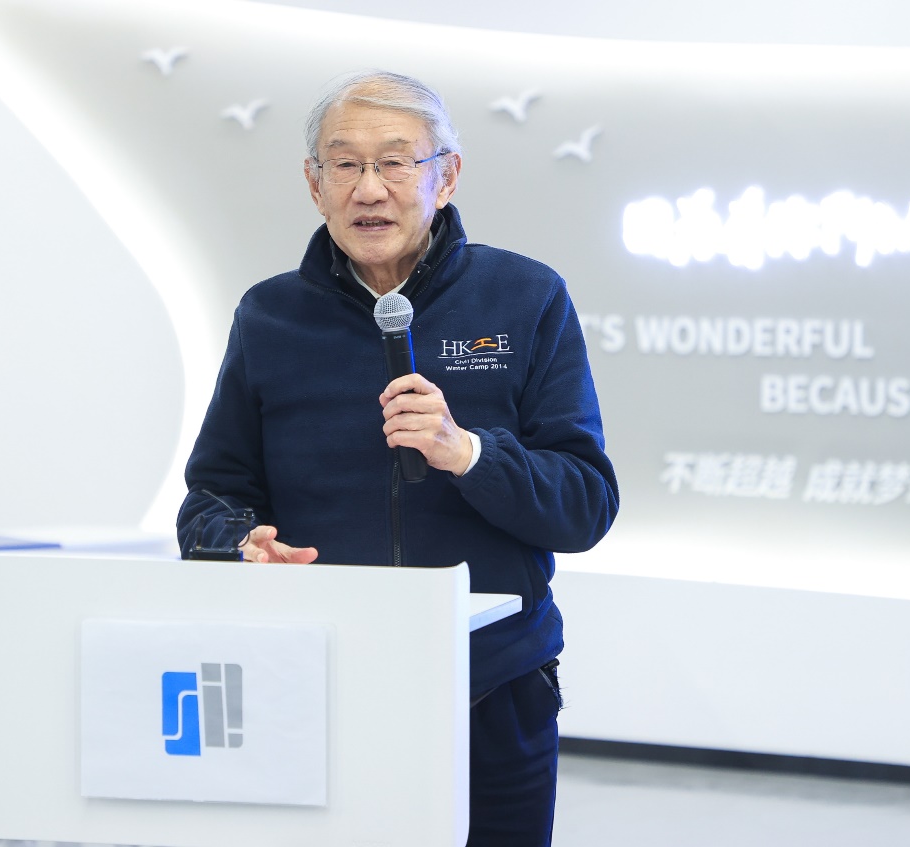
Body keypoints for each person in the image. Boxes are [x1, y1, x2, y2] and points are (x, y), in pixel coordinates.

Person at [177, 69, 618, 846]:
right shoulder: (270, 316)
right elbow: (211, 496)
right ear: (314, 185)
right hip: (313, 684)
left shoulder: (526, 297)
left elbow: (584, 503)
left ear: (446, 176)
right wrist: (240, 544)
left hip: (492, 685)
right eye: (345, 164)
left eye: (395, 162)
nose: (369, 188)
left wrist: (468, 453)